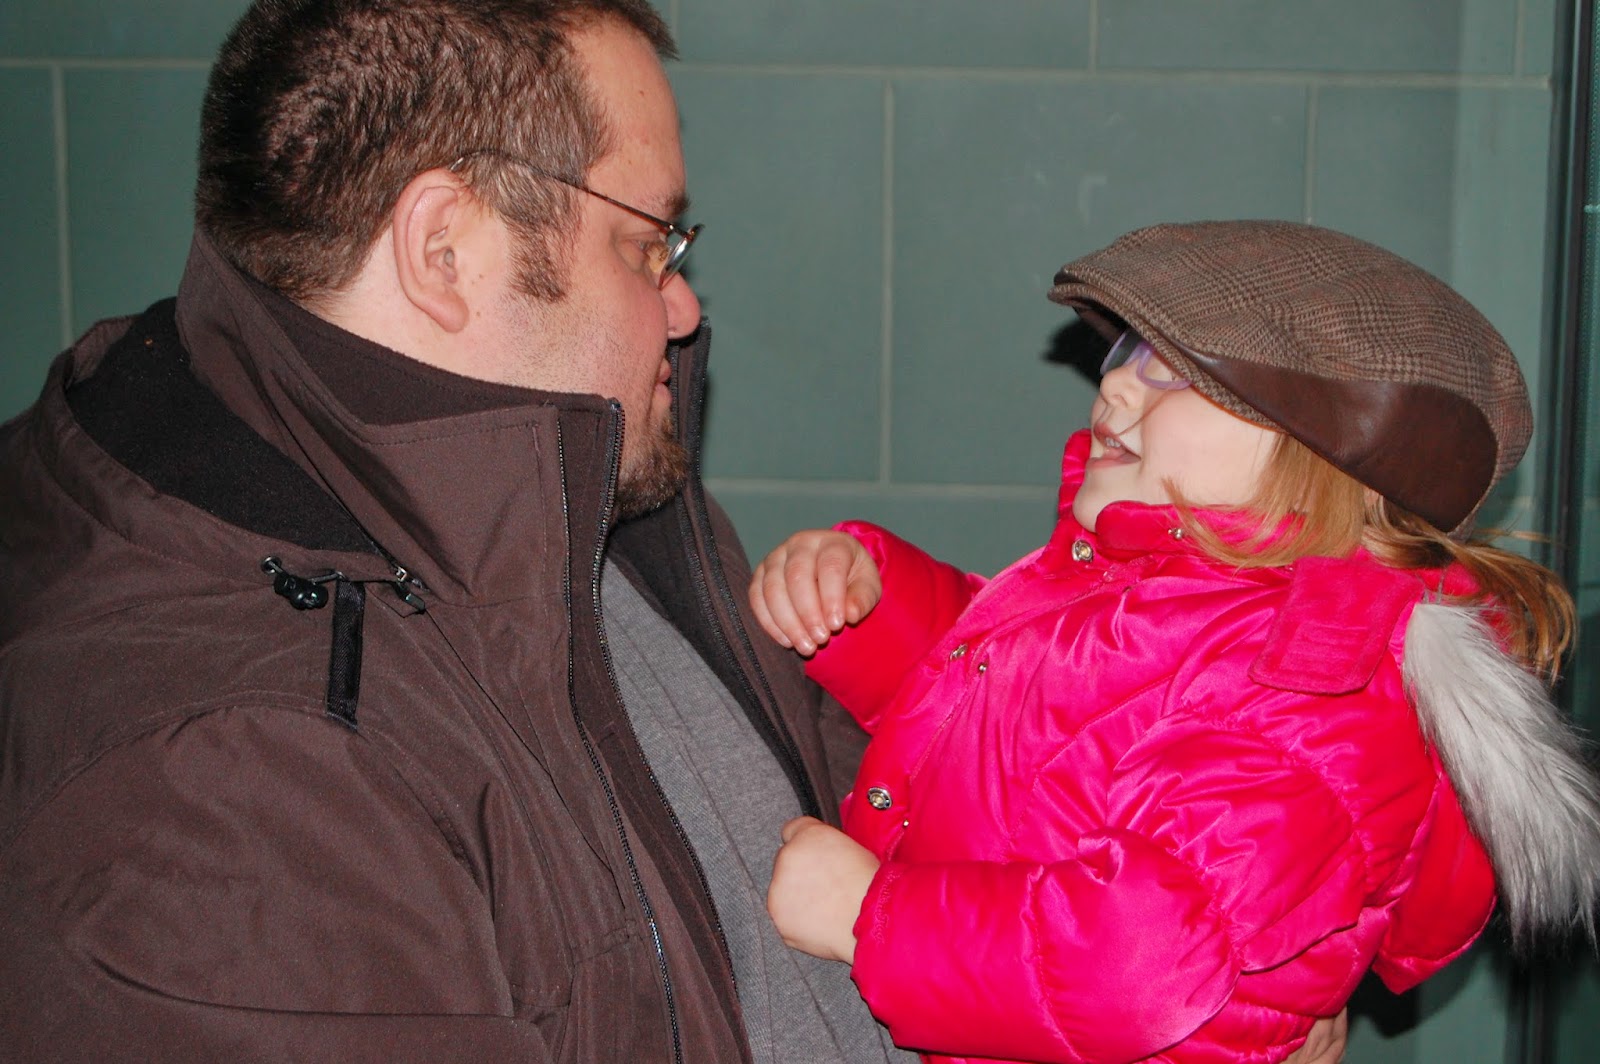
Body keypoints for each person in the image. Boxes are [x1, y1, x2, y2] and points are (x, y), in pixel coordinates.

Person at [0, 2, 903, 1061]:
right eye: (644, 244)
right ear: (444, 249)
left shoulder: (568, 468)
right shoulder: (225, 792)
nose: (683, 309)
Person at [749, 221, 1600, 1063]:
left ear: (1327, 458)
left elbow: (1131, 963)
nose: (1115, 388)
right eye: (1125, 355)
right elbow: (1025, 720)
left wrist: (868, 918)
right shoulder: (1161, 594)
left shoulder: (1314, 690)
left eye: (1177, 373)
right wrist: (867, 605)